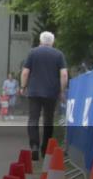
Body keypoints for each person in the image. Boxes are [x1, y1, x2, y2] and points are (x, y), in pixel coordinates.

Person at [21, 31, 68, 161]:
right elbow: (64, 75)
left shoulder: (33, 53)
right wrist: (61, 91)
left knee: (33, 119)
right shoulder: (59, 54)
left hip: (34, 91)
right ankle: (45, 149)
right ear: (52, 42)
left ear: (40, 41)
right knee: (48, 120)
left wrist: (23, 86)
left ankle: (34, 146)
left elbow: (25, 72)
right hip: (51, 93)